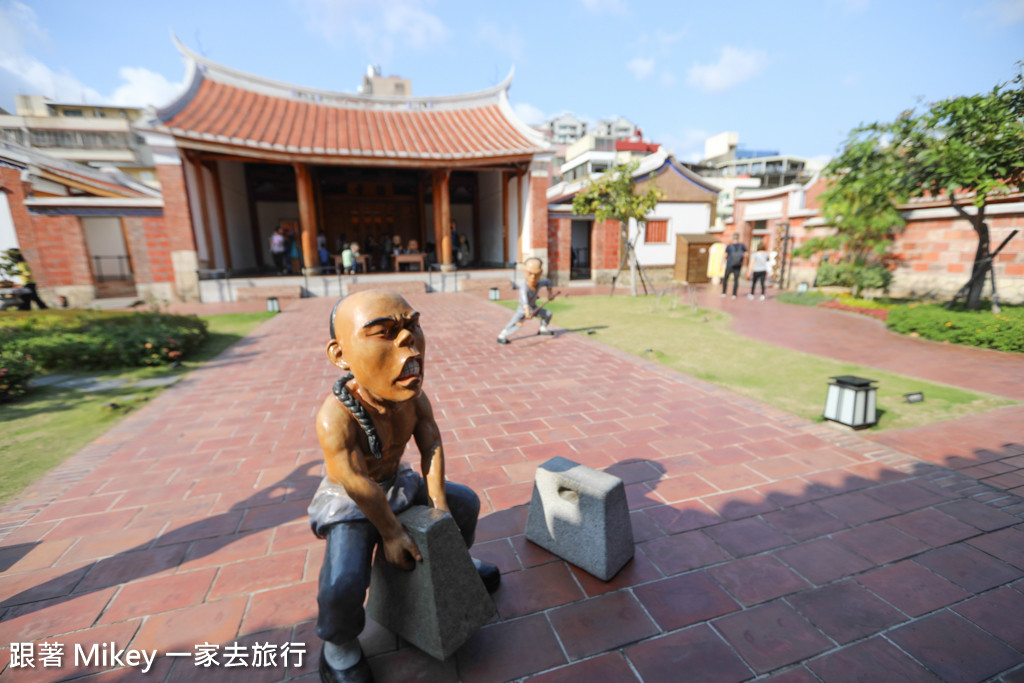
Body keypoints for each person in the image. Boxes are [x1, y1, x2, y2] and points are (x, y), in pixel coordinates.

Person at [310, 290, 499, 683]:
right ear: (340, 355)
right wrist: (391, 533)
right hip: (354, 500)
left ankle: (455, 566)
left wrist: (440, 506)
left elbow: (430, 444)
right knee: (342, 578)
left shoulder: (413, 399)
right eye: (384, 332)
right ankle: (338, 643)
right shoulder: (336, 417)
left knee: (465, 505)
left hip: (398, 481)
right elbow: (354, 479)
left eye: (412, 327)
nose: (406, 341)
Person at [497, 257, 555, 345]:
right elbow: (525, 303)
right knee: (513, 323)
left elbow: (548, 281)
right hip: (522, 310)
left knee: (548, 314)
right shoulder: (523, 289)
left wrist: (550, 294)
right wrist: (527, 313)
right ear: (525, 272)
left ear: (541, 273)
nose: (533, 277)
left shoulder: (539, 283)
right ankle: (502, 336)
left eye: (536, 274)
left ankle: (542, 328)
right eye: (530, 273)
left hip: (533, 308)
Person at [721, 232, 747, 299]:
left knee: (726, 279)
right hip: (738, 265)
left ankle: (724, 293)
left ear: (733, 238)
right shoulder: (742, 246)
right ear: (738, 238)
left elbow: (725, 255)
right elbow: (746, 255)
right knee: (736, 280)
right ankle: (734, 294)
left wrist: (721, 264)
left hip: (729, 264)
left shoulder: (729, 246)